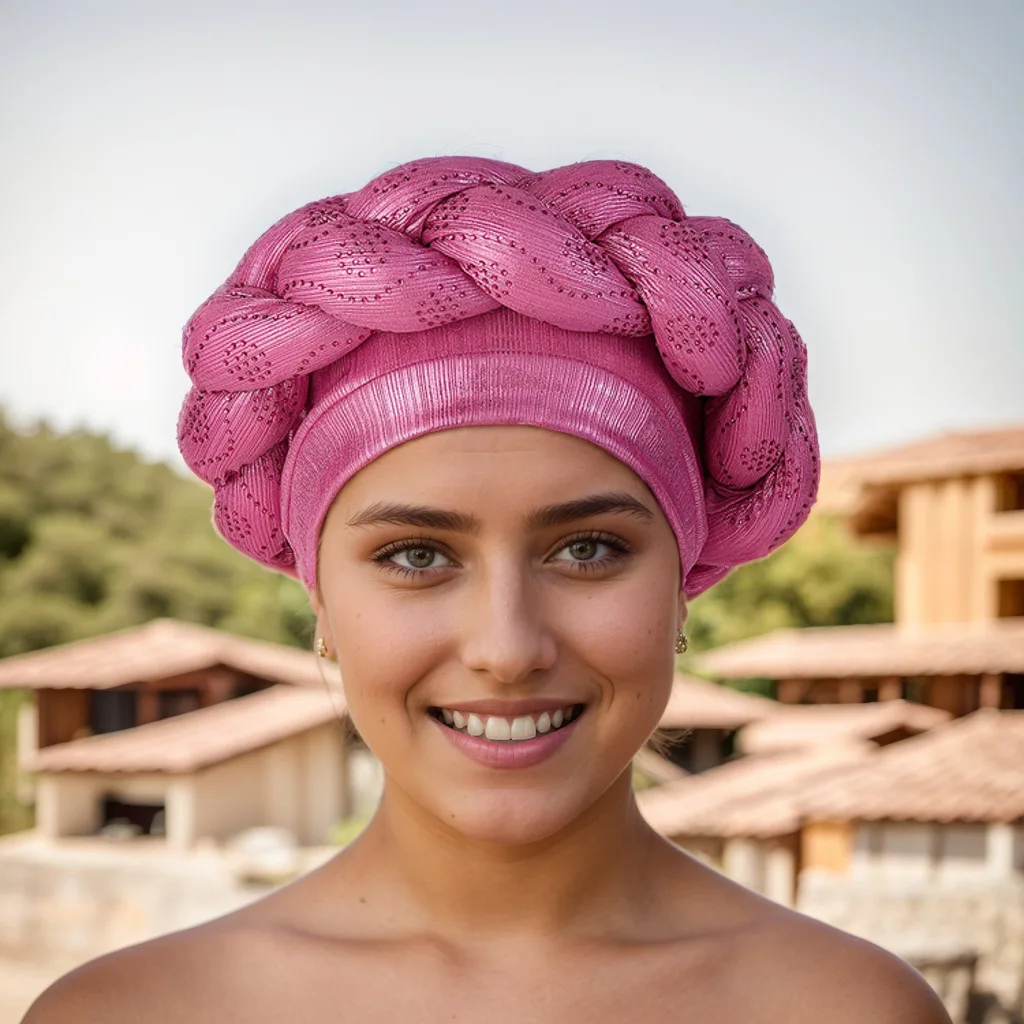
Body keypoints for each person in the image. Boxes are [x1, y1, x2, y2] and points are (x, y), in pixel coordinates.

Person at [25, 157, 951, 1023]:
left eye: (588, 549)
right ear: (321, 605)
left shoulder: (846, 1009)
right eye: (417, 556)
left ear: (684, 585)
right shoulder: (130, 1014)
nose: (507, 648)